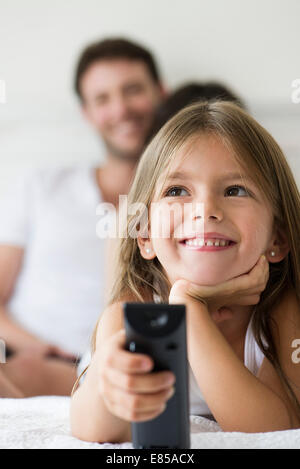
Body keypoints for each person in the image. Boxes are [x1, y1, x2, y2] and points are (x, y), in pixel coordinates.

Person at [70, 101, 300, 442]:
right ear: (145, 236)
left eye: (235, 190)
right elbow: (95, 429)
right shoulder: (132, 313)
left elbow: (275, 429)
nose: (206, 209)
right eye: (177, 191)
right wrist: (111, 385)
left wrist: (190, 308)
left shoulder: (281, 312)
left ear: (277, 239)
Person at [0, 37, 164, 397]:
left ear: (160, 94)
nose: (120, 109)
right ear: (87, 113)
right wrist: (34, 347)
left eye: (133, 90)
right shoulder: (41, 186)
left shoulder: (180, 205)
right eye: (102, 99)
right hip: (28, 355)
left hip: (121, 367)